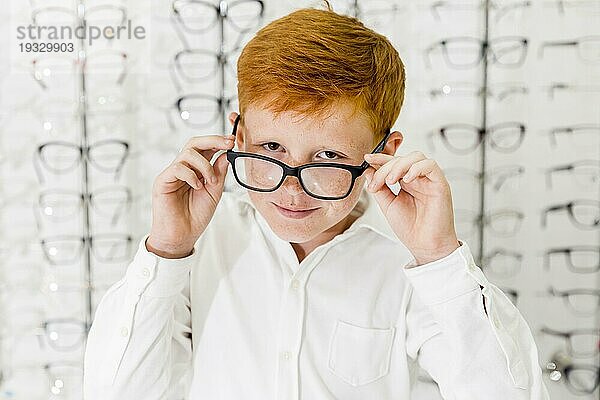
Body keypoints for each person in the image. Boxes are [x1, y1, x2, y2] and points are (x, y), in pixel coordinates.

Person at [83, 3, 549, 400]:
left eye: (327, 157)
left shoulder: (408, 262)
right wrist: (165, 251)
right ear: (238, 136)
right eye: (270, 150)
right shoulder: (199, 245)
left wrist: (439, 257)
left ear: (382, 155)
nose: (291, 189)